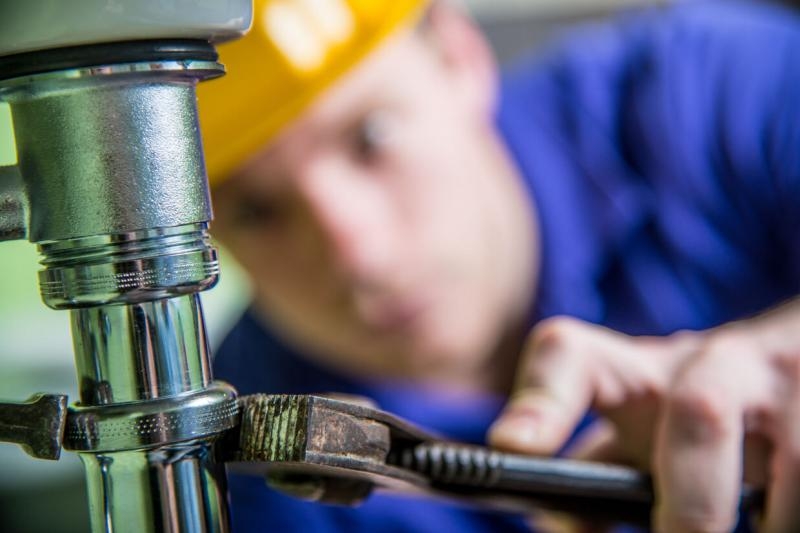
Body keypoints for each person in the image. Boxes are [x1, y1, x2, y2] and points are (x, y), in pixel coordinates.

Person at [197, 0, 800, 531]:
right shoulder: (236, 466)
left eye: (371, 136)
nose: (362, 259)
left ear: (456, 55)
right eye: (255, 211)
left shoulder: (717, 92)